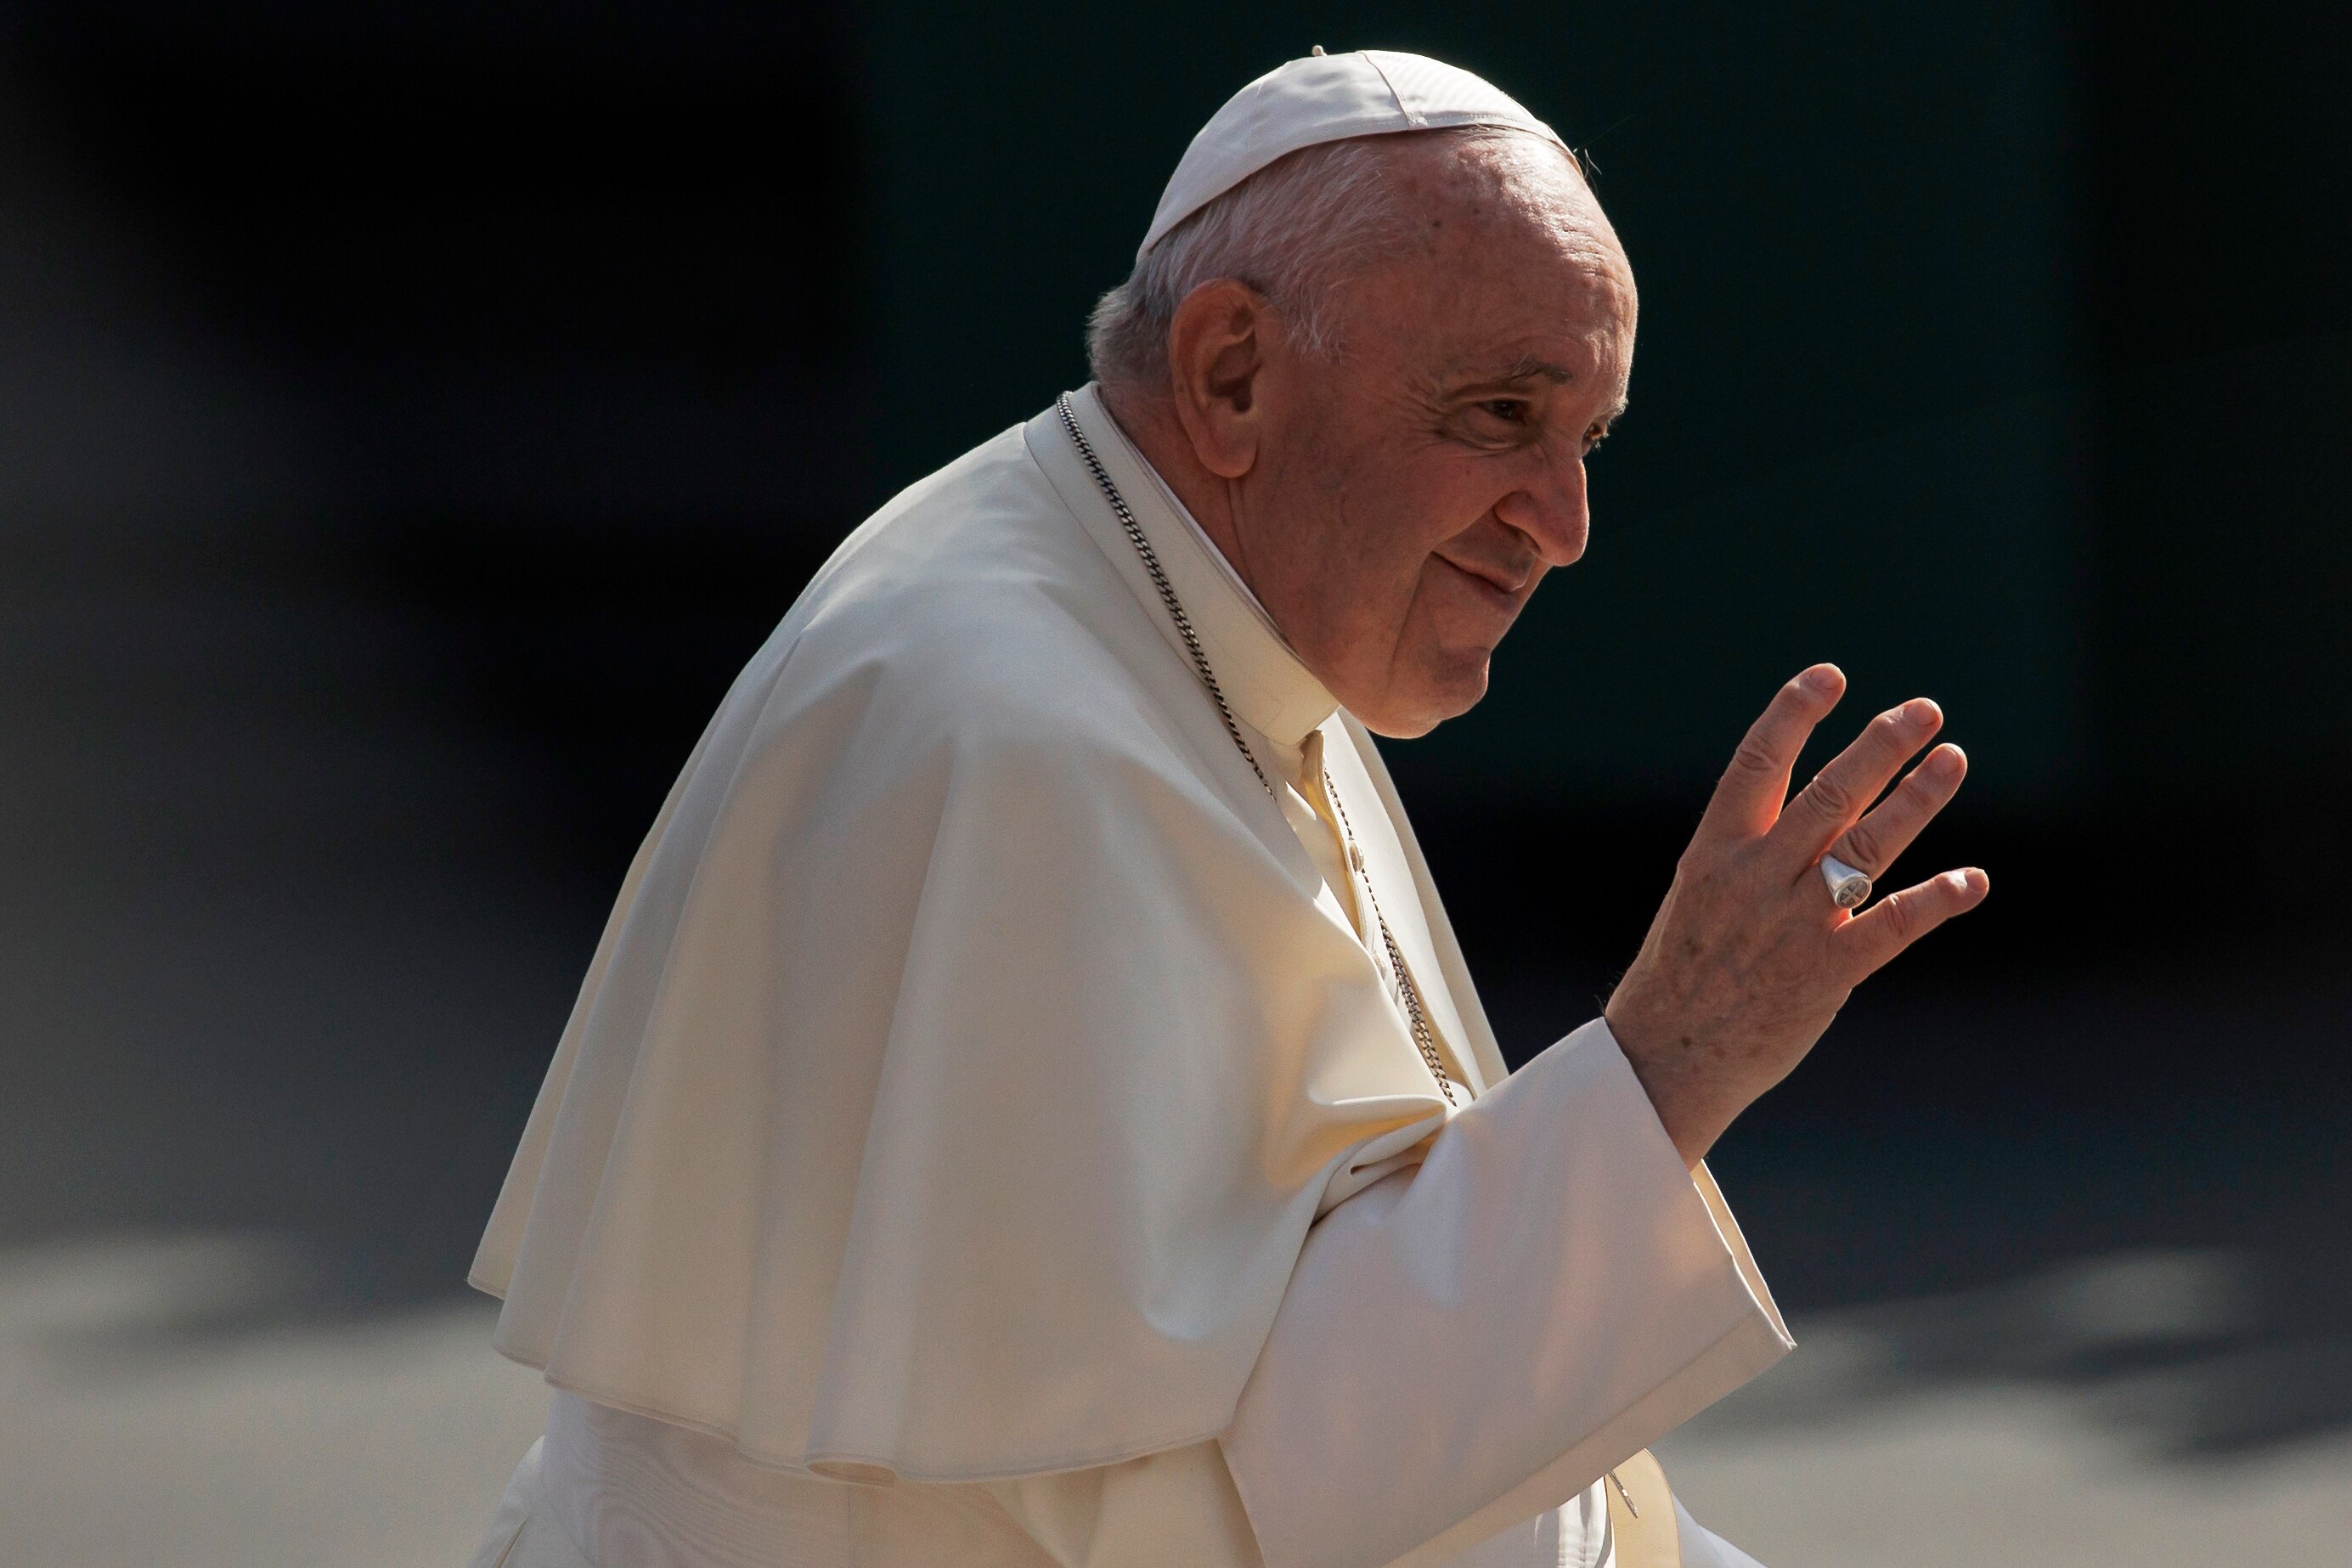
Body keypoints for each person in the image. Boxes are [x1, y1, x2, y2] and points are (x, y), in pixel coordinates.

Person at [461, 48, 1987, 1568]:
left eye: (1582, 438)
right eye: (1498, 412)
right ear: (1232, 374)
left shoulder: (1184, 609)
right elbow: (1225, 1500)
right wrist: (1671, 1059)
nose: (1565, 523)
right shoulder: (1012, 739)